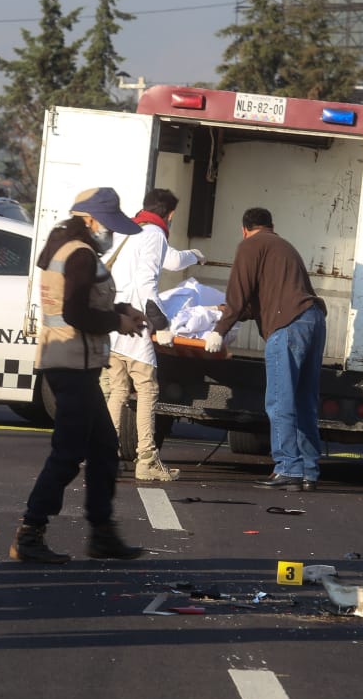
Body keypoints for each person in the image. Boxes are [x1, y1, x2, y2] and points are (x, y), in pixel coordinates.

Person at [9, 187, 149, 564]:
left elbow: (85, 301)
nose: (113, 233)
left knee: (103, 449)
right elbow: (75, 313)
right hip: (70, 363)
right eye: (109, 225)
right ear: (89, 220)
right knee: (69, 453)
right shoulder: (81, 254)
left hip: (71, 363)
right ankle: (30, 532)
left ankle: (102, 534)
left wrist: (119, 310)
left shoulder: (66, 247)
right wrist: (117, 321)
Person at [205, 207, 327, 492]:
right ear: (271, 225)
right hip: (313, 320)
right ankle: (308, 470)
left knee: (279, 401)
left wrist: (219, 331)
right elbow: (256, 300)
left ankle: (287, 469)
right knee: (304, 400)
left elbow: (238, 293)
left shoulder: (250, 245)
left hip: (288, 326)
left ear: (244, 229)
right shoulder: (283, 246)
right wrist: (232, 312)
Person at [102, 188, 204, 482]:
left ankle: (104, 454)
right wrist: (163, 326)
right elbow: (147, 283)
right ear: (169, 214)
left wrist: (194, 256)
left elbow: (171, 260)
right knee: (147, 389)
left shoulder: (131, 230)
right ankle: (146, 459)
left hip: (116, 320)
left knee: (118, 390)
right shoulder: (155, 234)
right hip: (136, 322)